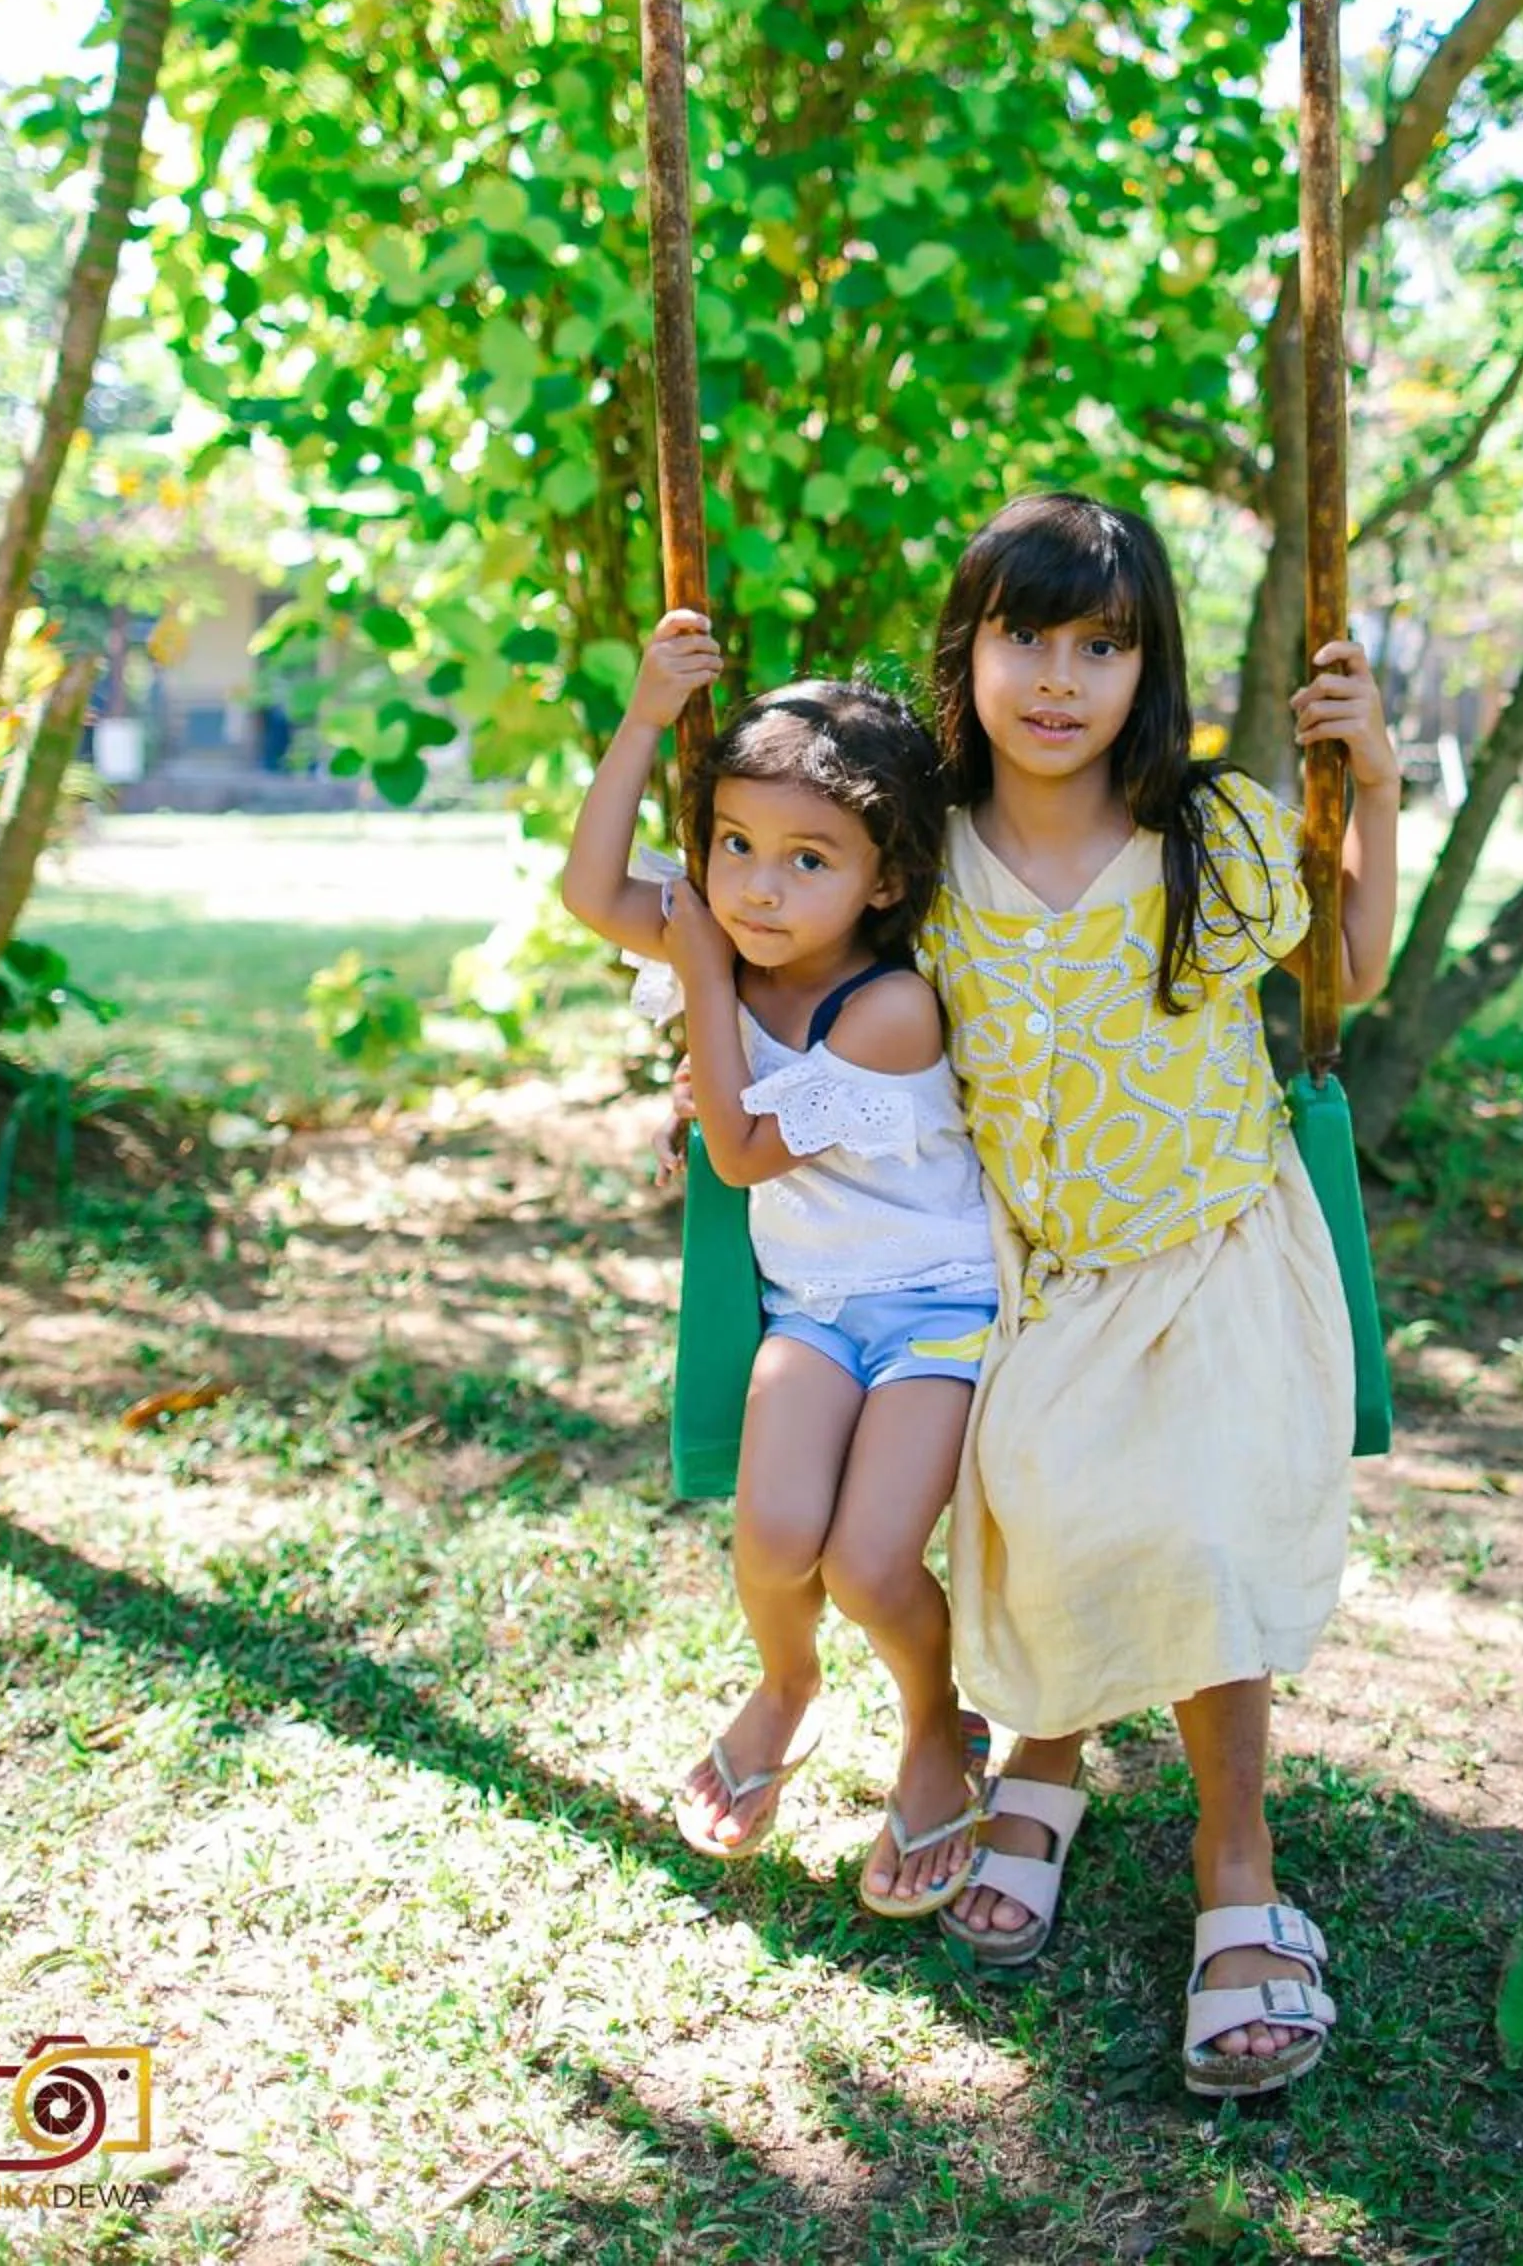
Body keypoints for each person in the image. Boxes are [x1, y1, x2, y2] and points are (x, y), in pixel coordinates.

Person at [917, 494, 1398, 2096]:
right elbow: (777, 952)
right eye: (1025, 639)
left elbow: (1352, 961)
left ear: (1148, 667)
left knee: (1190, 1533)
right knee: (1054, 1518)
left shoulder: (1210, 833)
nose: (1059, 679)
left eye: (1101, 647)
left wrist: (1374, 782)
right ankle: (1043, 1756)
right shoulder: (923, 850)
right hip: (1041, 1270)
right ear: (968, 651)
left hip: (1216, 1243)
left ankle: (1236, 1866)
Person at [561, 612, 997, 1918]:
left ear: (879, 879)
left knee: (866, 1562)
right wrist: (646, 714)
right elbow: (590, 891)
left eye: (806, 859)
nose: (755, 887)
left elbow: (743, 1152)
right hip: (811, 1308)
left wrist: (695, 961)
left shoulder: (886, 1007)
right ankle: (787, 1687)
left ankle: (934, 1725)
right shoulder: (735, 939)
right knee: (769, 1541)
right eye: (733, 848)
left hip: (937, 1312)